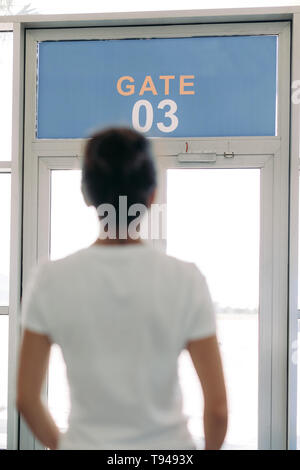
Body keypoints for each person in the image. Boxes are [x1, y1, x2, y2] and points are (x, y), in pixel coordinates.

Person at [17, 127, 227, 450]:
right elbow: (218, 410)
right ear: (152, 195)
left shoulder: (50, 280)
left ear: (87, 195)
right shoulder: (186, 280)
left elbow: (26, 399)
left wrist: (67, 446)